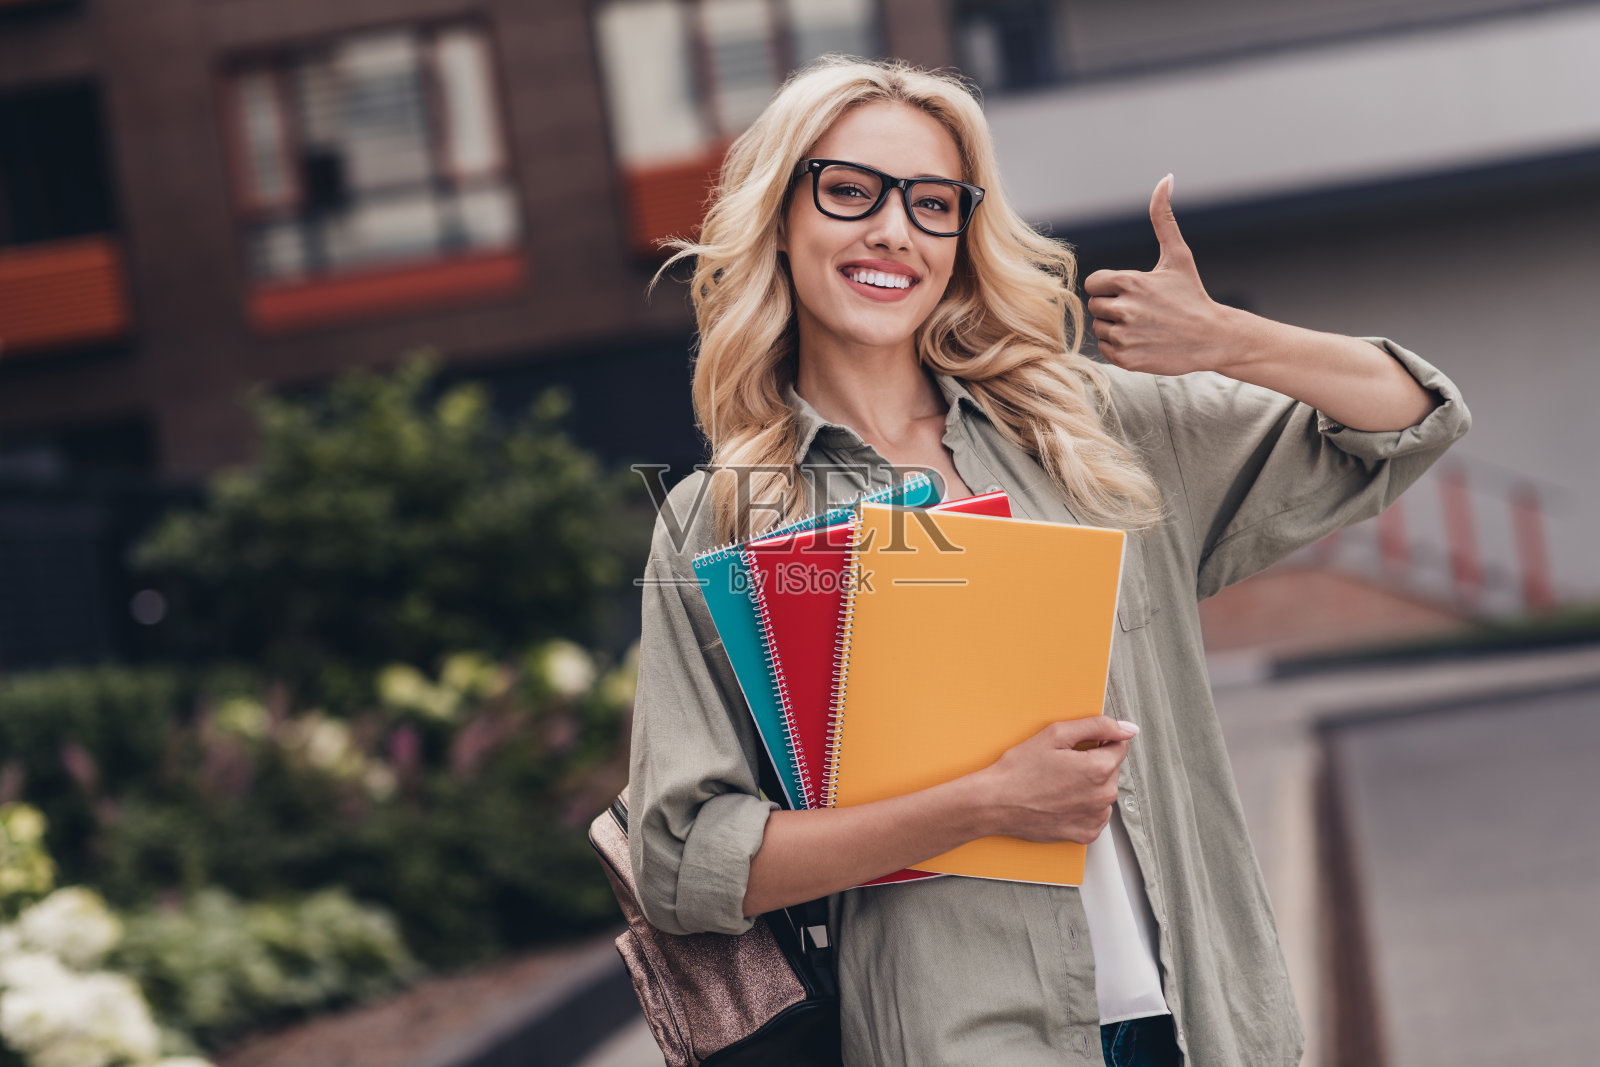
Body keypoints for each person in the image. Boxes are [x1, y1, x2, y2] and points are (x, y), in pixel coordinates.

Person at [627, 57, 1469, 1067]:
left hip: (1204, 1025)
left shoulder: (1083, 429)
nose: (893, 229)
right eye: (849, 190)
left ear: (961, 234)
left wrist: (1225, 338)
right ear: (779, 215)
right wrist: (982, 803)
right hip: (955, 1040)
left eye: (932, 203)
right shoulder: (718, 518)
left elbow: (1407, 418)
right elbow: (683, 859)